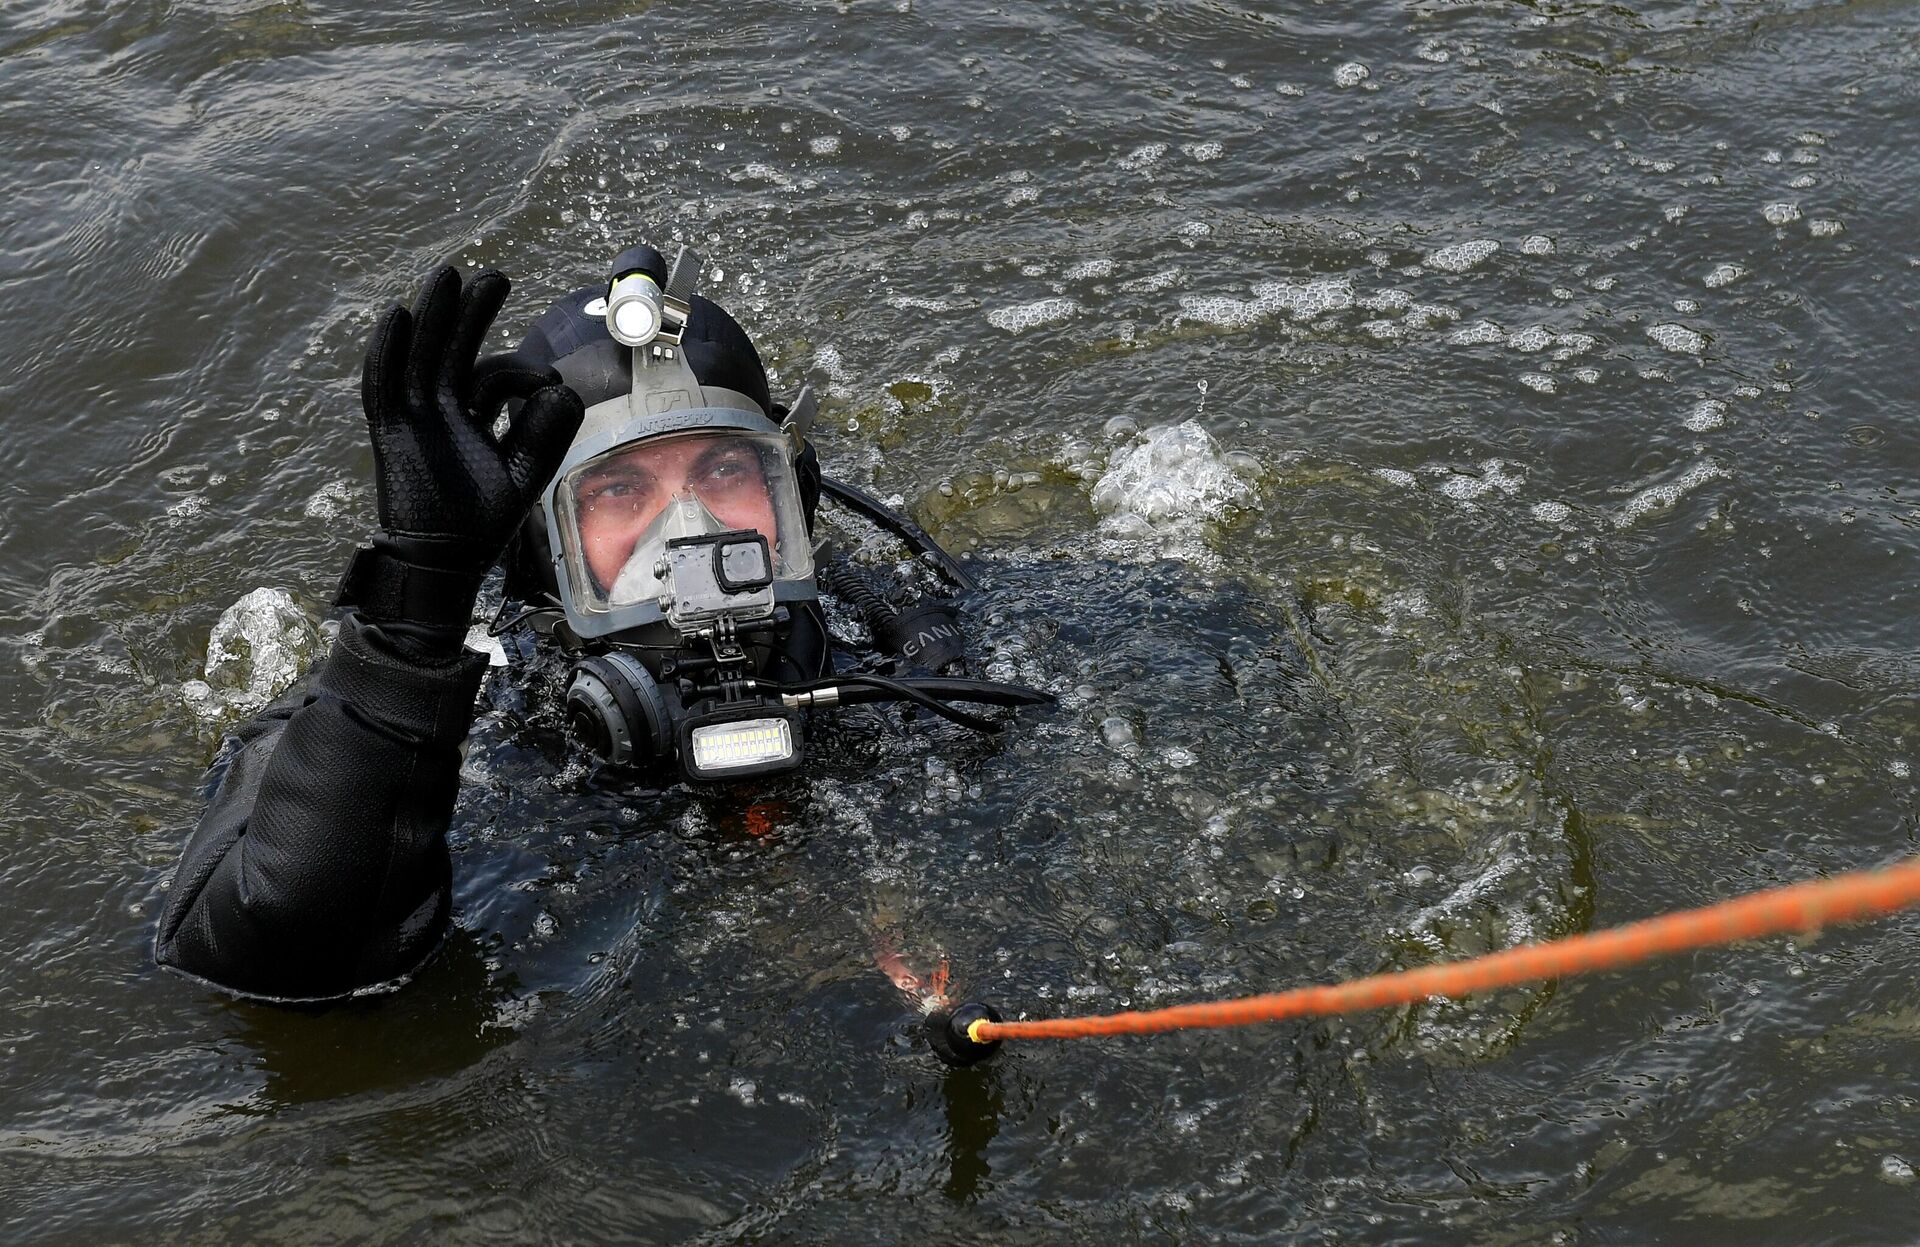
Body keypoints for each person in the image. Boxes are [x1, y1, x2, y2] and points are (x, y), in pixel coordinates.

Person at [153, 243, 1049, 1003]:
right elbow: (266, 943)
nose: (689, 526)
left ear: (792, 503)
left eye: (727, 472)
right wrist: (412, 613)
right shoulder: (474, 731)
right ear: (544, 549)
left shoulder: (905, 661)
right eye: (622, 489)